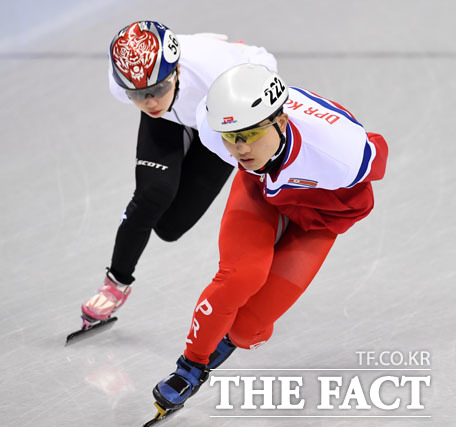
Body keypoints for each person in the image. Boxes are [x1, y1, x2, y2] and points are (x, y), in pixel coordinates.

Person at [152, 64, 388, 410]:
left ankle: (232, 339)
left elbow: (377, 154)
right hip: (261, 187)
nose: (240, 148)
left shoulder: (343, 155)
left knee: (247, 331)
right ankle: (190, 367)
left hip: (319, 218)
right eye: (232, 137)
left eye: (249, 134)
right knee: (240, 276)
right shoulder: (213, 130)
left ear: (280, 121)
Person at [80, 22, 277, 323]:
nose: (151, 102)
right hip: (179, 111)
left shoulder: (219, 74)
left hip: (220, 115)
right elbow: (150, 94)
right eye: (139, 94)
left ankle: (202, 53)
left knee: (170, 227)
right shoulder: (124, 85)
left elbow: (267, 73)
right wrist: (153, 90)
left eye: (157, 90)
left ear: (177, 72)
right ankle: (115, 284)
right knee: (152, 195)